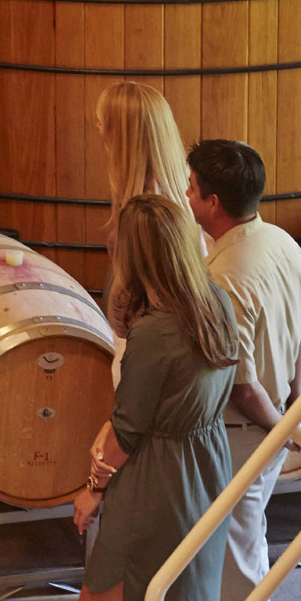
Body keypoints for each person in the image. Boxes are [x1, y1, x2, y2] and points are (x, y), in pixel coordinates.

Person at [40, 192, 238, 601]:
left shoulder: (154, 332)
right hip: (205, 475)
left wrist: (91, 489)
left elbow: (126, 431)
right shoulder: (217, 308)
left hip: (154, 484)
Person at [184, 140, 301, 601]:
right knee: (237, 549)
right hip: (268, 421)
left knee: (238, 558)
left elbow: (240, 384)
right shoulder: (282, 241)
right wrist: (298, 398)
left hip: (243, 432)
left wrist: (280, 423)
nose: (185, 196)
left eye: (191, 188)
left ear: (213, 202)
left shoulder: (225, 278)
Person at [92, 81, 195, 379]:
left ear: (119, 134)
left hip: (148, 353)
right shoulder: (178, 186)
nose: (98, 129)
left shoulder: (148, 210)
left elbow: (155, 296)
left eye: (103, 122)